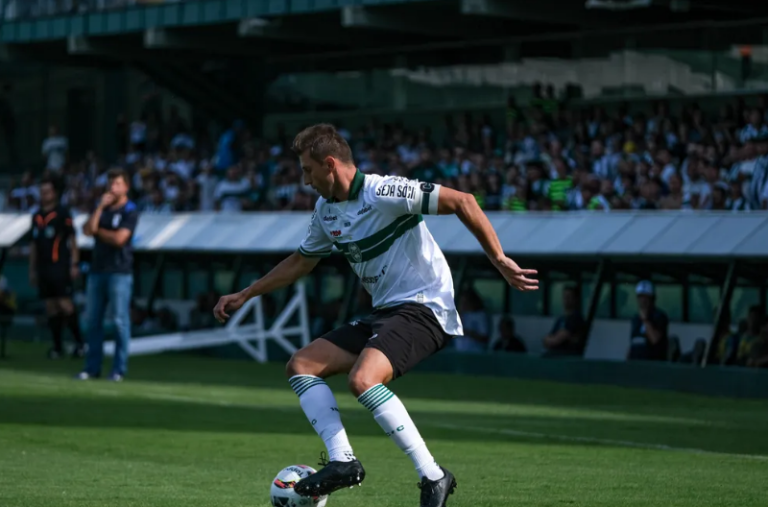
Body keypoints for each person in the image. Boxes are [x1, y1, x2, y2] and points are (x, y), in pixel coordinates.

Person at [213, 124, 538, 507]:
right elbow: (301, 261)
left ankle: (433, 475)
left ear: (329, 164)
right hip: (385, 312)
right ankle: (343, 462)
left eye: (307, 170)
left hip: (425, 306)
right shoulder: (326, 211)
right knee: (300, 364)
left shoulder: (384, 191)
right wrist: (247, 293)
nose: (304, 181)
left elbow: (464, 201)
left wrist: (498, 259)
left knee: (363, 380)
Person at [77, 168, 138, 382]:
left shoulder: (130, 210)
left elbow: (119, 239)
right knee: (93, 321)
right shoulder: (101, 208)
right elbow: (86, 230)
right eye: (110, 183)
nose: (113, 188)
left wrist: (98, 231)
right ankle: (92, 368)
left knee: (121, 321)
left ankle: (119, 370)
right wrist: (100, 207)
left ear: (126, 187)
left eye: (117, 184)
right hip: (97, 271)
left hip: (119, 272)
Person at [29, 177, 84, 359]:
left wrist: (74, 263)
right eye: (42, 191)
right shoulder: (36, 216)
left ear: (54, 193)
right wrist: (32, 269)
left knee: (65, 304)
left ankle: (79, 343)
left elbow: (72, 239)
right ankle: (57, 347)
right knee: (51, 306)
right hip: (43, 268)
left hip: (59, 265)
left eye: (47, 191)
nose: (44, 195)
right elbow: (34, 245)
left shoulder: (62, 213)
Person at [628, 280, 669, 361]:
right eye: (640, 297)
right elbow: (633, 342)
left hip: (653, 364)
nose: (643, 301)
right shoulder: (636, 318)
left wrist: (645, 320)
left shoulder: (660, 316)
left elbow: (655, 339)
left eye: (646, 297)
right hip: (635, 363)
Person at [542, 285, 586, 357]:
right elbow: (547, 339)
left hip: (568, 358)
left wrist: (551, 340)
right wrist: (549, 340)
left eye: (569, 297)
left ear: (575, 299)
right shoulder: (561, 319)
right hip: (555, 356)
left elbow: (557, 340)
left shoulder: (576, 318)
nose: (566, 299)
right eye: (564, 296)